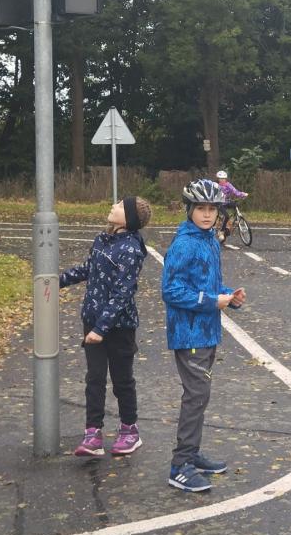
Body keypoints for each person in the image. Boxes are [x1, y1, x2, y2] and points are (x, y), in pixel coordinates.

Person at [161, 179, 247, 492]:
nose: (207, 214)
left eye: (212, 209)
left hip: (208, 331)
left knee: (201, 395)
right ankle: (180, 465)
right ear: (189, 210)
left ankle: (192, 454)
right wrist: (212, 301)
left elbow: (208, 284)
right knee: (196, 395)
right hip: (189, 333)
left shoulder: (209, 239)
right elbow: (171, 290)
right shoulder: (185, 244)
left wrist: (229, 296)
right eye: (201, 208)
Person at [61, 195, 152, 458]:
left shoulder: (131, 250)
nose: (113, 206)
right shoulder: (102, 240)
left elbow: (123, 293)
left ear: (129, 218)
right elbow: (88, 269)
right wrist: (57, 281)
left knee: (122, 380)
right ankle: (93, 434)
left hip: (119, 327)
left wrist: (101, 329)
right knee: (95, 379)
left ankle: (129, 430)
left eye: (120, 206)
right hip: (92, 321)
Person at [214, 170, 248, 242]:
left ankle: (236, 219)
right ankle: (221, 231)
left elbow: (235, 191)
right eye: (221, 178)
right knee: (226, 216)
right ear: (218, 179)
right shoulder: (216, 186)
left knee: (235, 205)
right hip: (219, 203)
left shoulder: (228, 185)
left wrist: (242, 194)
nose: (222, 180)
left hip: (227, 202)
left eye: (224, 178)